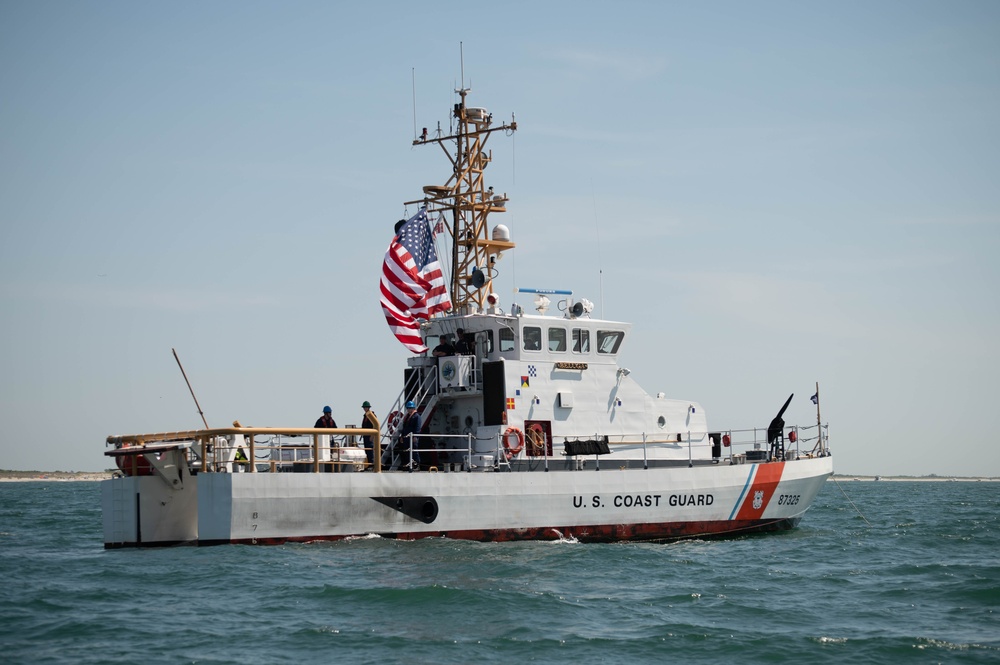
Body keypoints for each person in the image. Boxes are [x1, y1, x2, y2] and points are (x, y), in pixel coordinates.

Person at [393, 400, 422, 470]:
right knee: (407, 451)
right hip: (406, 437)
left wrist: (415, 436)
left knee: (414, 451)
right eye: (408, 408)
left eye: (410, 408)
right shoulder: (407, 417)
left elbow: (418, 427)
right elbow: (405, 427)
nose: (409, 409)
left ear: (413, 408)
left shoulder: (417, 417)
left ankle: (417, 465)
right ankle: (409, 464)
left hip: (412, 437)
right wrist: (402, 436)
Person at [360, 401, 379, 467]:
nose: (365, 408)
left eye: (366, 407)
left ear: (368, 408)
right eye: (364, 407)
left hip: (369, 436)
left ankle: (372, 465)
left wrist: (372, 435)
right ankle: (369, 464)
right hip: (365, 436)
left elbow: (375, 425)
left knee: (370, 450)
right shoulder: (366, 416)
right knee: (367, 450)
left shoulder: (372, 415)